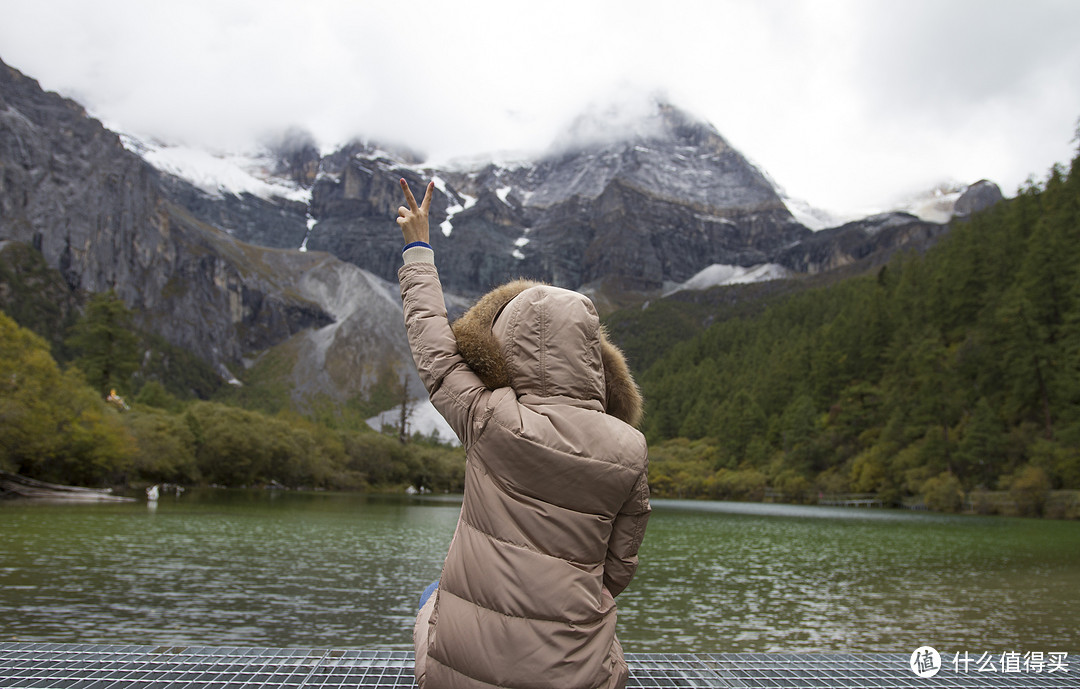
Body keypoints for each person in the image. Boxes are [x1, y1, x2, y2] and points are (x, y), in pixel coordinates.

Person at [395, 178, 650, 689]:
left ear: (506, 343)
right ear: (591, 354)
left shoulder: (489, 417)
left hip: (459, 679)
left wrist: (418, 249)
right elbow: (618, 570)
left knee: (432, 597)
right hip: (576, 680)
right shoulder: (629, 448)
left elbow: (434, 346)